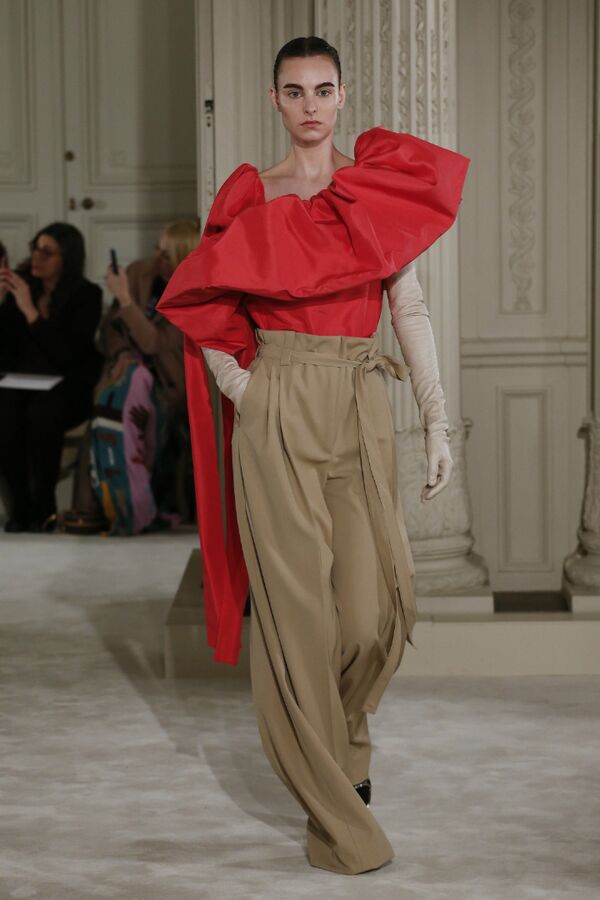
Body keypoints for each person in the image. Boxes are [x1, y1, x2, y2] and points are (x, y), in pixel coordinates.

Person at [156, 36, 471, 875]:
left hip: (359, 398)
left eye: (323, 90)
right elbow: (206, 303)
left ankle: (345, 740)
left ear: (342, 95)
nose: (310, 106)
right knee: (299, 621)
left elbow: (408, 309)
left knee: (370, 616)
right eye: (294, 91)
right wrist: (247, 389)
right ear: (275, 100)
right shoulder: (251, 194)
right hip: (279, 403)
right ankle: (339, 819)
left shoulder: (370, 191)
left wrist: (437, 422)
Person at [92, 220, 200, 532]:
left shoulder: (193, 295)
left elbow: (155, 343)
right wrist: (122, 354)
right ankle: (122, 504)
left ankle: (135, 506)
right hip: (127, 374)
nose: (156, 259)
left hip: (168, 384)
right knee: (122, 392)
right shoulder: (140, 273)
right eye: (156, 249)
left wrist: (126, 300)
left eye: (166, 255)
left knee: (132, 398)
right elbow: (110, 328)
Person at [0, 224, 102, 532]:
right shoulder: (20, 286)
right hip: (21, 381)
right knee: (6, 412)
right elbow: (5, 354)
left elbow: (67, 355)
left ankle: (44, 507)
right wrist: (2, 305)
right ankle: (20, 506)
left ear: (66, 258)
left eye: (47, 252)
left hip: (67, 385)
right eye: (36, 248)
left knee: (42, 414)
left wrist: (31, 313)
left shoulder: (87, 295)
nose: (37, 257)